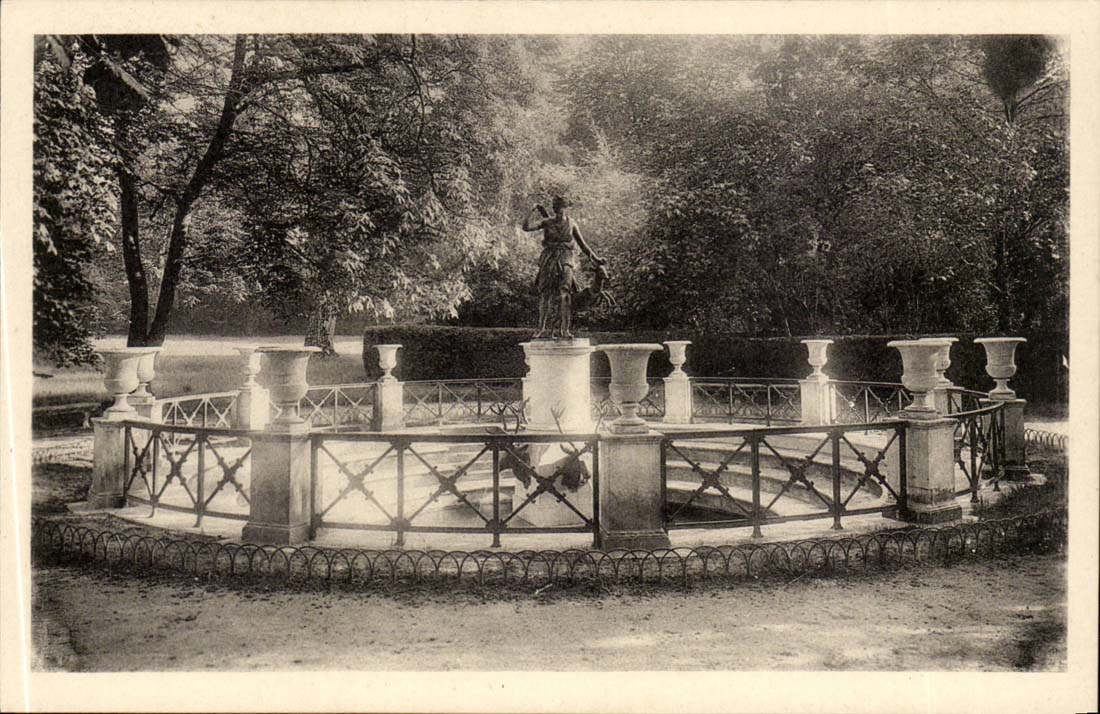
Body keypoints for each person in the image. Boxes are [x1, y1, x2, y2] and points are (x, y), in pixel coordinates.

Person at [522, 195, 605, 339]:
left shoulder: (572, 224)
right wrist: (532, 209)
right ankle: (541, 328)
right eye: (556, 208)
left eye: (561, 208)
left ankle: (565, 330)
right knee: (545, 294)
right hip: (549, 259)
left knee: (565, 294)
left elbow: (583, 245)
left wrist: (596, 259)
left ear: (566, 208)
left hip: (566, 258)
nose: (558, 210)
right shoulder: (547, 222)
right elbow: (526, 227)